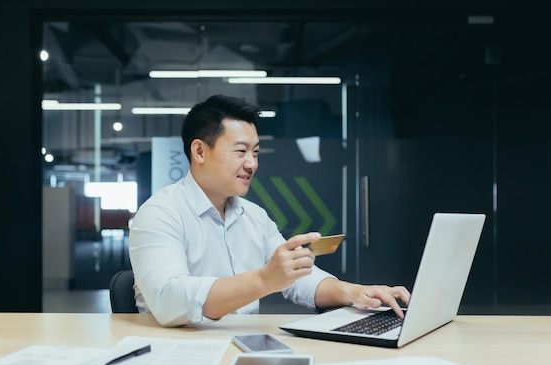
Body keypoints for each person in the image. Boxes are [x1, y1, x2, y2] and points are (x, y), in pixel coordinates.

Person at [128, 94, 410, 327]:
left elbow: (299, 279)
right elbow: (168, 299)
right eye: (240, 152)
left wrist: (355, 292)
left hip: (246, 349)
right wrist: (264, 279)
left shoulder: (254, 217)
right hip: (178, 357)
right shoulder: (160, 213)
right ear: (199, 152)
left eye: (256, 152)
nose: (252, 164)